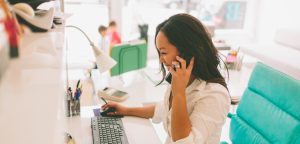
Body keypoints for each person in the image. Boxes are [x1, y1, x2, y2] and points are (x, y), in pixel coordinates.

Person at [101, 13, 230, 144]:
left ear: (186, 51)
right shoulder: (182, 78)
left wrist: (178, 93)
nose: (161, 60)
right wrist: (126, 110)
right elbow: (163, 109)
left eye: (164, 52)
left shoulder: (215, 95)